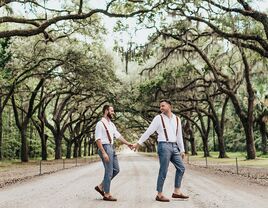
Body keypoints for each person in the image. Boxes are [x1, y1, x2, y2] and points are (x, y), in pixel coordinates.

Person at [132, 99, 189, 202]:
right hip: (163, 146)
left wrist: (182, 150)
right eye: (160, 106)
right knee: (163, 170)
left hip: (174, 146)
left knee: (181, 168)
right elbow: (148, 131)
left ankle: (176, 192)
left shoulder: (177, 119)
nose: (161, 108)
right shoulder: (158, 118)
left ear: (169, 106)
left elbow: (179, 135)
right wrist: (138, 143)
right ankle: (159, 194)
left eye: (163, 106)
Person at [94, 104, 132, 201]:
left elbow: (118, 136)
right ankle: (107, 194)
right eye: (111, 111)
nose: (113, 113)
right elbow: (98, 139)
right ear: (106, 111)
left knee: (116, 170)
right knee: (109, 171)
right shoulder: (100, 124)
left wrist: (128, 144)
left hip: (111, 147)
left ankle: (101, 186)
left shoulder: (111, 124)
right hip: (105, 147)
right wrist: (103, 152)